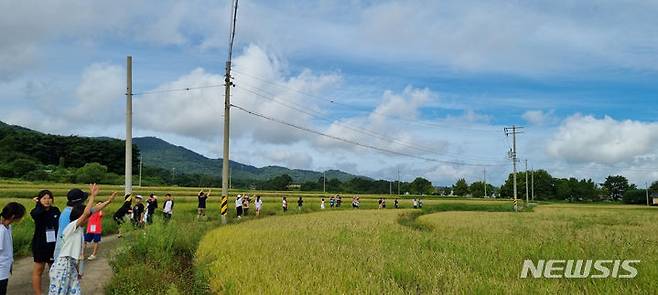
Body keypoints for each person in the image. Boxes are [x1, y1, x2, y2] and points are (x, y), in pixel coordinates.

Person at [48, 184, 113, 295]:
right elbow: (87, 213)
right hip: (63, 260)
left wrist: (109, 201)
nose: (88, 219)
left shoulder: (75, 214)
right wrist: (92, 196)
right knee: (59, 291)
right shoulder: (70, 219)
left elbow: (92, 210)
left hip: (72, 261)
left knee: (74, 290)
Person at [30, 190, 61, 295]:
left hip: (53, 244)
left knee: (55, 270)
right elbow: (37, 214)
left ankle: (55, 291)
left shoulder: (56, 210)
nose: (47, 200)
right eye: (44, 198)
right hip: (40, 244)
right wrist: (38, 204)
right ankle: (38, 293)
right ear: (39, 200)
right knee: (39, 270)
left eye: (49, 198)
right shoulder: (36, 211)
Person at [53, 188, 88, 260]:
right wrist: (93, 197)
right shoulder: (71, 213)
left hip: (67, 252)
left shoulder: (69, 211)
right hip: (65, 254)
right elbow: (87, 213)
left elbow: (90, 211)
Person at [1, 202, 26, 295]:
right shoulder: (1, 230)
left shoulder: (8, 226)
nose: (21, 218)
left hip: (5, 268)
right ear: (13, 216)